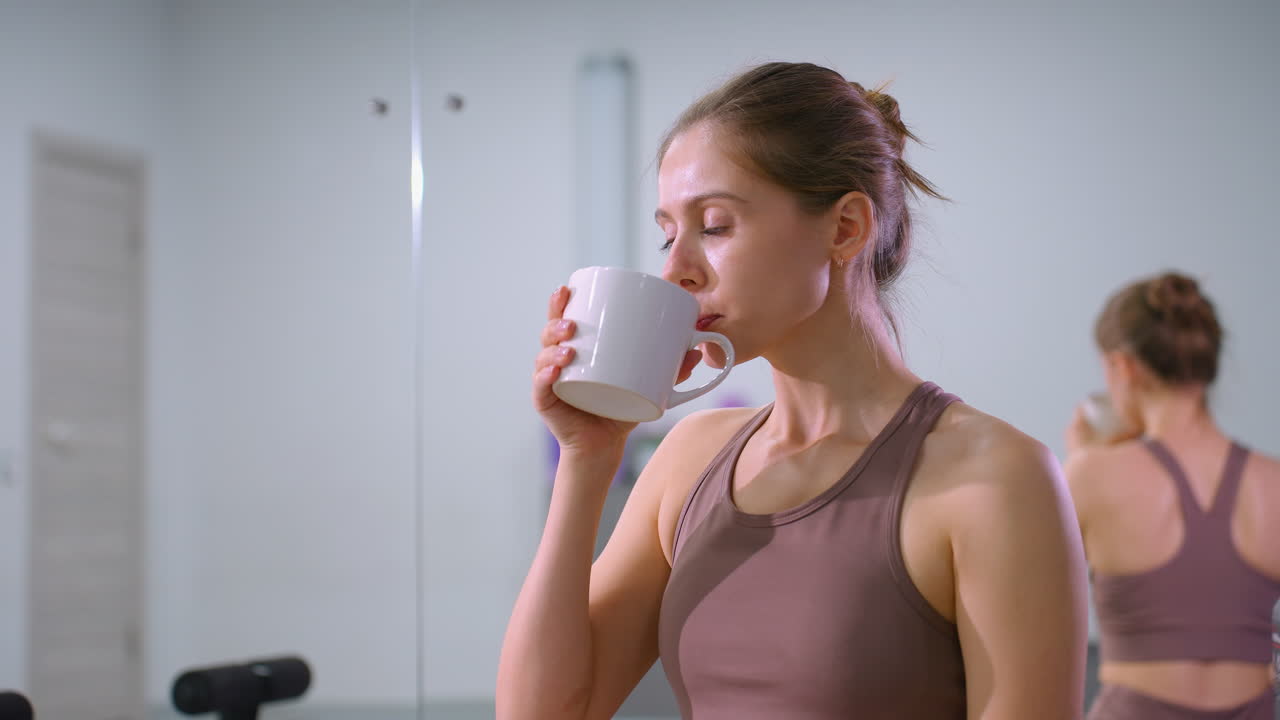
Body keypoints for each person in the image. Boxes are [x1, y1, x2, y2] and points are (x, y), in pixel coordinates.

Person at [499, 61, 1088, 719]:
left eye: (715, 225)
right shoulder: (689, 461)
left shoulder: (996, 479)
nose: (676, 271)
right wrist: (588, 460)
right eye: (668, 234)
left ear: (844, 230)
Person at [1065, 271, 1280, 719]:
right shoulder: (1271, 482)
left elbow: (1036, 615)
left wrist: (1085, 459)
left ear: (1122, 367)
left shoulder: (1093, 473)